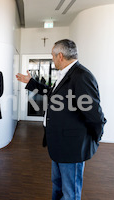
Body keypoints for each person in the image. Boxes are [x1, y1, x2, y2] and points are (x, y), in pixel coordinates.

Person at [16, 39, 106, 200]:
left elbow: (95, 115)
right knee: (58, 186)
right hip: (60, 144)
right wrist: (31, 82)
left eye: (52, 55)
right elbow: (52, 93)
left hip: (73, 147)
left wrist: (95, 138)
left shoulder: (81, 76)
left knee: (70, 193)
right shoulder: (66, 74)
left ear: (60, 56)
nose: (52, 58)